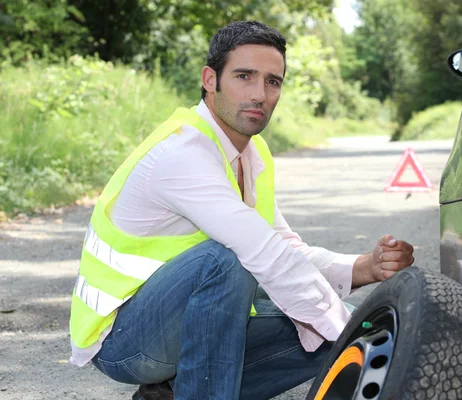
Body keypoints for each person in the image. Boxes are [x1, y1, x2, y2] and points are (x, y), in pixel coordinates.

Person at [68, 20, 415, 400]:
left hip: (176, 325)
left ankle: (170, 393)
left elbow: (284, 248)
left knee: (341, 332)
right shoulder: (183, 153)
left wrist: (362, 267)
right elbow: (263, 253)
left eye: (272, 81)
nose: (260, 94)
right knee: (229, 263)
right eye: (244, 76)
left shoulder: (250, 154)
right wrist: (342, 324)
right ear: (210, 80)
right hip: (125, 340)